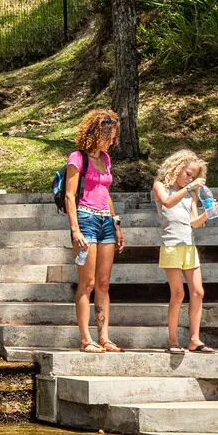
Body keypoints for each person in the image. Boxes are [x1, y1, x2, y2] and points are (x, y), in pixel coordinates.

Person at [63, 109, 125, 353]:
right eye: (110, 136)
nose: (113, 140)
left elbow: (106, 193)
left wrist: (116, 223)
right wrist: (75, 229)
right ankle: (86, 339)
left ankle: (104, 337)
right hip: (86, 220)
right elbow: (70, 195)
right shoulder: (77, 158)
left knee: (103, 283)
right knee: (87, 283)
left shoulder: (106, 159)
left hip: (105, 223)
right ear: (97, 133)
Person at [152, 149, 214, 354]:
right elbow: (167, 203)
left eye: (194, 176)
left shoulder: (191, 193)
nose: (191, 178)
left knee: (198, 291)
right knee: (178, 293)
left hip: (189, 245)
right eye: (188, 173)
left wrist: (208, 214)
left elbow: (193, 223)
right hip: (171, 245)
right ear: (176, 168)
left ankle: (194, 339)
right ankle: (172, 339)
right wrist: (189, 187)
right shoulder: (161, 186)